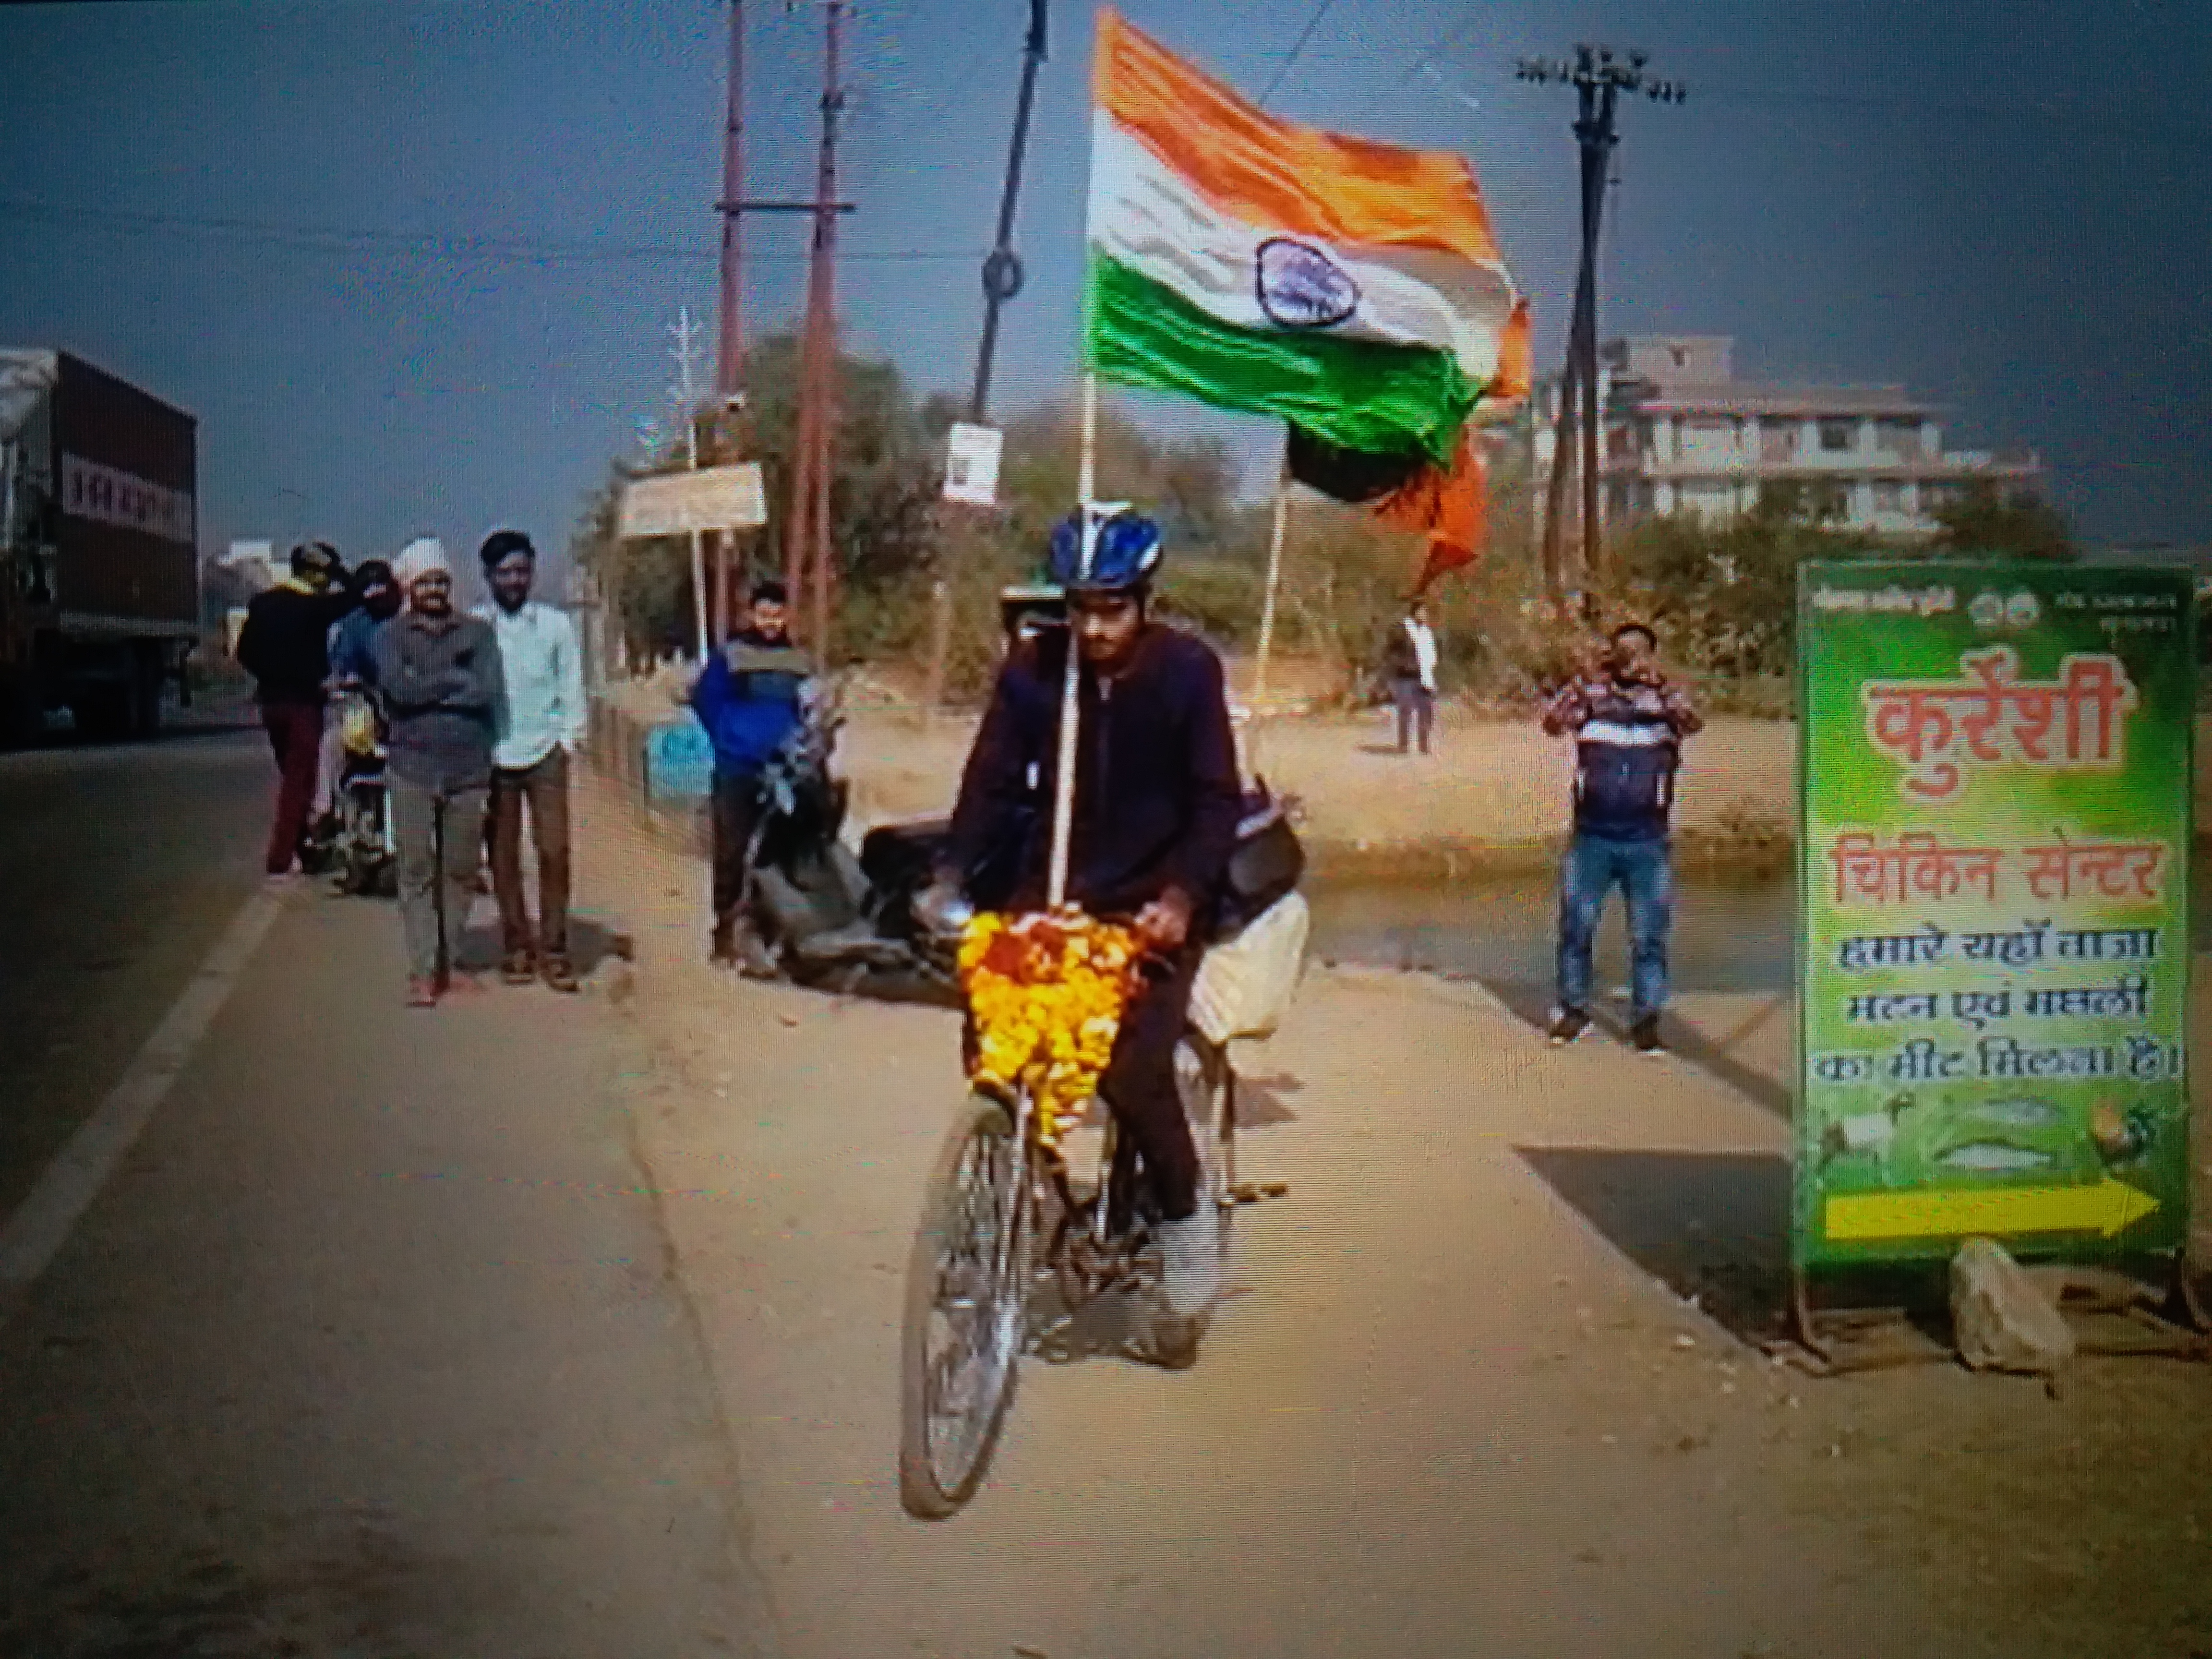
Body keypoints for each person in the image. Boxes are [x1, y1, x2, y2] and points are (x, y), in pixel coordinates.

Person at [921, 512, 1243, 1320]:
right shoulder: (1035, 670)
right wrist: (952, 875)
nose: (1093, 629)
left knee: (1133, 1066)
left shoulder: (1187, 673)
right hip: (1053, 888)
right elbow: (989, 781)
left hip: (1154, 899)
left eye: (1111, 609)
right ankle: (1009, 1205)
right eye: (1079, 608)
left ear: (1144, 601)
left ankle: (1184, 1221)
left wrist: (1179, 897)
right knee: (994, 1038)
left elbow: (1214, 800)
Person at [1539, 621, 1704, 1056]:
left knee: (1648, 936)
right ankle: (1574, 1011)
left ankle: (1645, 1022)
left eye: (1638, 651)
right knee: (1577, 926)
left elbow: (1693, 722)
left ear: (1651, 654)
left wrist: (1660, 687)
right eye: (1621, 650)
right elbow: (1553, 723)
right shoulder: (1593, 697)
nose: (1629, 658)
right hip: (1592, 837)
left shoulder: (1667, 701)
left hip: (1647, 840)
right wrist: (1587, 681)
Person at [373, 538, 504, 1008]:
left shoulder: (477, 633)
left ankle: (453, 961)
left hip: (468, 769)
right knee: (415, 869)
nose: (434, 588)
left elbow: (484, 691)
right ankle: (423, 970)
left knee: (462, 870)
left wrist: (424, 685)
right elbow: (398, 692)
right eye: (425, 581)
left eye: (441, 580)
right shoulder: (390, 637)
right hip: (411, 767)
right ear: (409, 587)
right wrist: (452, 679)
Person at [475, 530, 588, 992]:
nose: (514, 580)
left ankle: (555, 950)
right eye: (504, 572)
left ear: (532, 573)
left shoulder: (556, 626)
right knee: (502, 856)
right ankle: (517, 946)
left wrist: (568, 741)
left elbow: (572, 688)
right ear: (489, 577)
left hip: (546, 754)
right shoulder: (477, 628)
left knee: (554, 851)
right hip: (495, 755)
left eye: (522, 571)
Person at [689, 579, 811, 973]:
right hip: (736, 767)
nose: (771, 622)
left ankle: (773, 931)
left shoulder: (798, 661)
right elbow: (705, 701)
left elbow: (808, 710)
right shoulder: (731, 656)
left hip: (785, 773)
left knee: (780, 853)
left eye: (778, 614)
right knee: (730, 852)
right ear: (751, 615)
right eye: (764, 614)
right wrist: (730, 738)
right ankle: (725, 931)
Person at [234, 540, 359, 880]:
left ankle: (306, 850)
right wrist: (343, 571)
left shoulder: (263, 603)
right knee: (299, 782)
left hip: (271, 702)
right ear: (315, 572)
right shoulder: (314, 608)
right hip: (304, 703)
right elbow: (354, 596)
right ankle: (281, 857)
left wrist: (269, 674)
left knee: (292, 776)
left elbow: (244, 652)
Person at [1380, 597, 1440, 756]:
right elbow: (1390, 652)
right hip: (1406, 677)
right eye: (1423, 611)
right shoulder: (1401, 630)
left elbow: (1432, 654)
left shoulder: (1427, 632)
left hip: (1425, 676)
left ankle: (1424, 746)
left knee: (1426, 710)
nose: (1425, 615)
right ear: (1416, 612)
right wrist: (1403, 664)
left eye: (1427, 612)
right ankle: (1404, 745)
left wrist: (1429, 665)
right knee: (1406, 710)